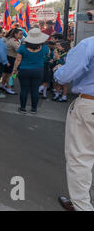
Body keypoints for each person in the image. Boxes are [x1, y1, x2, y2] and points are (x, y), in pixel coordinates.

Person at [54, 34, 94, 211]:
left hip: (89, 104)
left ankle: (82, 206)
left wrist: (58, 70)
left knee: (80, 158)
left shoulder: (88, 44)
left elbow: (65, 77)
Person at [12, 28, 50, 114]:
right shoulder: (45, 48)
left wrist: (14, 71)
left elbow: (18, 60)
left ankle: (22, 108)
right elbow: (47, 54)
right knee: (35, 90)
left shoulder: (22, 47)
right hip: (38, 70)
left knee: (24, 89)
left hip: (24, 70)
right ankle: (34, 109)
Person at [1, 29, 23, 95]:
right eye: (20, 34)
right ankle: (9, 88)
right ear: (15, 34)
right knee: (11, 75)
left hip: (9, 58)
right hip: (12, 59)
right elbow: (20, 51)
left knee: (6, 73)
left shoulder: (13, 40)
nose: (22, 35)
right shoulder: (14, 41)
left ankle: (3, 85)